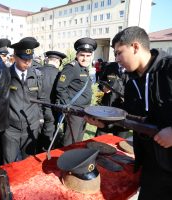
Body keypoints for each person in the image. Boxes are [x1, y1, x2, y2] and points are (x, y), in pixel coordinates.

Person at [85, 26, 172, 200]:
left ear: (135, 47)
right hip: (151, 169)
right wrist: (104, 123)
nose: (116, 59)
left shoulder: (168, 68)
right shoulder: (131, 83)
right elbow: (128, 117)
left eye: (119, 52)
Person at [2, 37, 44, 163]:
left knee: (29, 165)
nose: (27, 63)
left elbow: (41, 100)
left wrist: (39, 121)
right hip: (10, 130)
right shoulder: (5, 75)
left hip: (31, 129)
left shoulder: (37, 75)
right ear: (15, 57)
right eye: (24, 59)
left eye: (30, 60)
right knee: (9, 165)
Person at [56, 37, 97, 146]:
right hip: (74, 111)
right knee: (71, 140)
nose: (85, 58)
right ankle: (66, 159)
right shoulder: (71, 68)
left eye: (88, 56)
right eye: (82, 55)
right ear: (77, 54)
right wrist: (68, 106)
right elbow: (60, 88)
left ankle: (75, 159)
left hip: (84, 110)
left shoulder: (84, 68)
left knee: (78, 139)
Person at [38, 50, 66, 150]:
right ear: (58, 62)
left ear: (47, 60)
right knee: (48, 137)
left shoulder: (37, 71)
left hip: (35, 109)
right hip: (51, 109)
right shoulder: (60, 74)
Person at [95, 61, 129, 138]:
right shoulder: (110, 66)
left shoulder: (134, 67)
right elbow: (101, 81)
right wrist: (103, 87)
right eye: (116, 54)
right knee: (99, 138)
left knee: (120, 141)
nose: (118, 57)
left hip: (124, 112)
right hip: (108, 109)